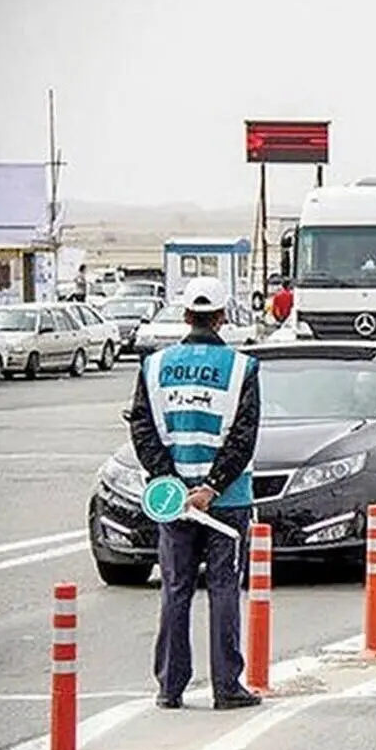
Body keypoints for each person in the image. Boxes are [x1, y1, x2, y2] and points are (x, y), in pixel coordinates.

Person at [127, 276, 263, 711]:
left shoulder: (154, 365)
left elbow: (142, 429)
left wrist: (171, 482)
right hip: (227, 502)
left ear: (186, 315)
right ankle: (227, 688)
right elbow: (244, 437)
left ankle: (170, 688)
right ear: (222, 317)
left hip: (173, 502)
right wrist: (212, 488)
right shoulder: (244, 368)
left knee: (176, 588)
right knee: (224, 588)